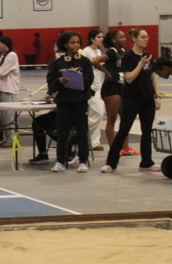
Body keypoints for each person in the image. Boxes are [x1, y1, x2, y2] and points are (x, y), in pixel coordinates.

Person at [102, 28, 159, 173]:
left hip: (147, 99)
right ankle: (111, 163)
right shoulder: (128, 57)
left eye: (147, 37)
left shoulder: (148, 56)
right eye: (143, 37)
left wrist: (157, 96)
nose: (146, 39)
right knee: (124, 130)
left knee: (147, 131)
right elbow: (129, 78)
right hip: (131, 99)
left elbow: (152, 77)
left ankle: (146, 162)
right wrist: (140, 64)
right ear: (134, 38)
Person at [45, 31, 94, 172]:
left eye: (78, 42)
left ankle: (83, 161)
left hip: (80, 102)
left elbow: (89, 79)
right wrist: (60, 80)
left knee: (82, 133)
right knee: (62, 134)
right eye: (72, 42)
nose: (76, 45)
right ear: (65, 45)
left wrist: (77, 78)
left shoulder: (85, 61)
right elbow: (51, 83)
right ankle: (60, 162)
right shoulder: (57, 63)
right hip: (64, 102)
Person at [92, 30, 128, 155]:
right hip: (111, 88)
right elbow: (95, 61)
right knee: (112, 118)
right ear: (113, 40)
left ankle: (126, 147)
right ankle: (113, 149)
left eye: (124, 37)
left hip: (122, 86)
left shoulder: (123, 51)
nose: (124, 39)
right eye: (121, 37)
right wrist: (106, 72)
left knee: (125, 118)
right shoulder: (112, 52)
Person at [81, 29, 106, 152]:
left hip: (99, 86)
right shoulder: (86, 51)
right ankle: (80, 133)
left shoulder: (99, 51)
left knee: (99, 115)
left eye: (102, 37)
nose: (101, 39)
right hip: (90, 88)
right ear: (91, 39)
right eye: (98, 37)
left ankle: (94, 142)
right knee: (97, 112)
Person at [0, 35, 20, 146]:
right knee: (3, 115)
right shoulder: (3, 56)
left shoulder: (12, 55)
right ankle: (6, 137)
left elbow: (0, 73)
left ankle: (11, 139)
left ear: (5, 44)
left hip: (9, 88)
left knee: (9, 115)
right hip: (1, 87)